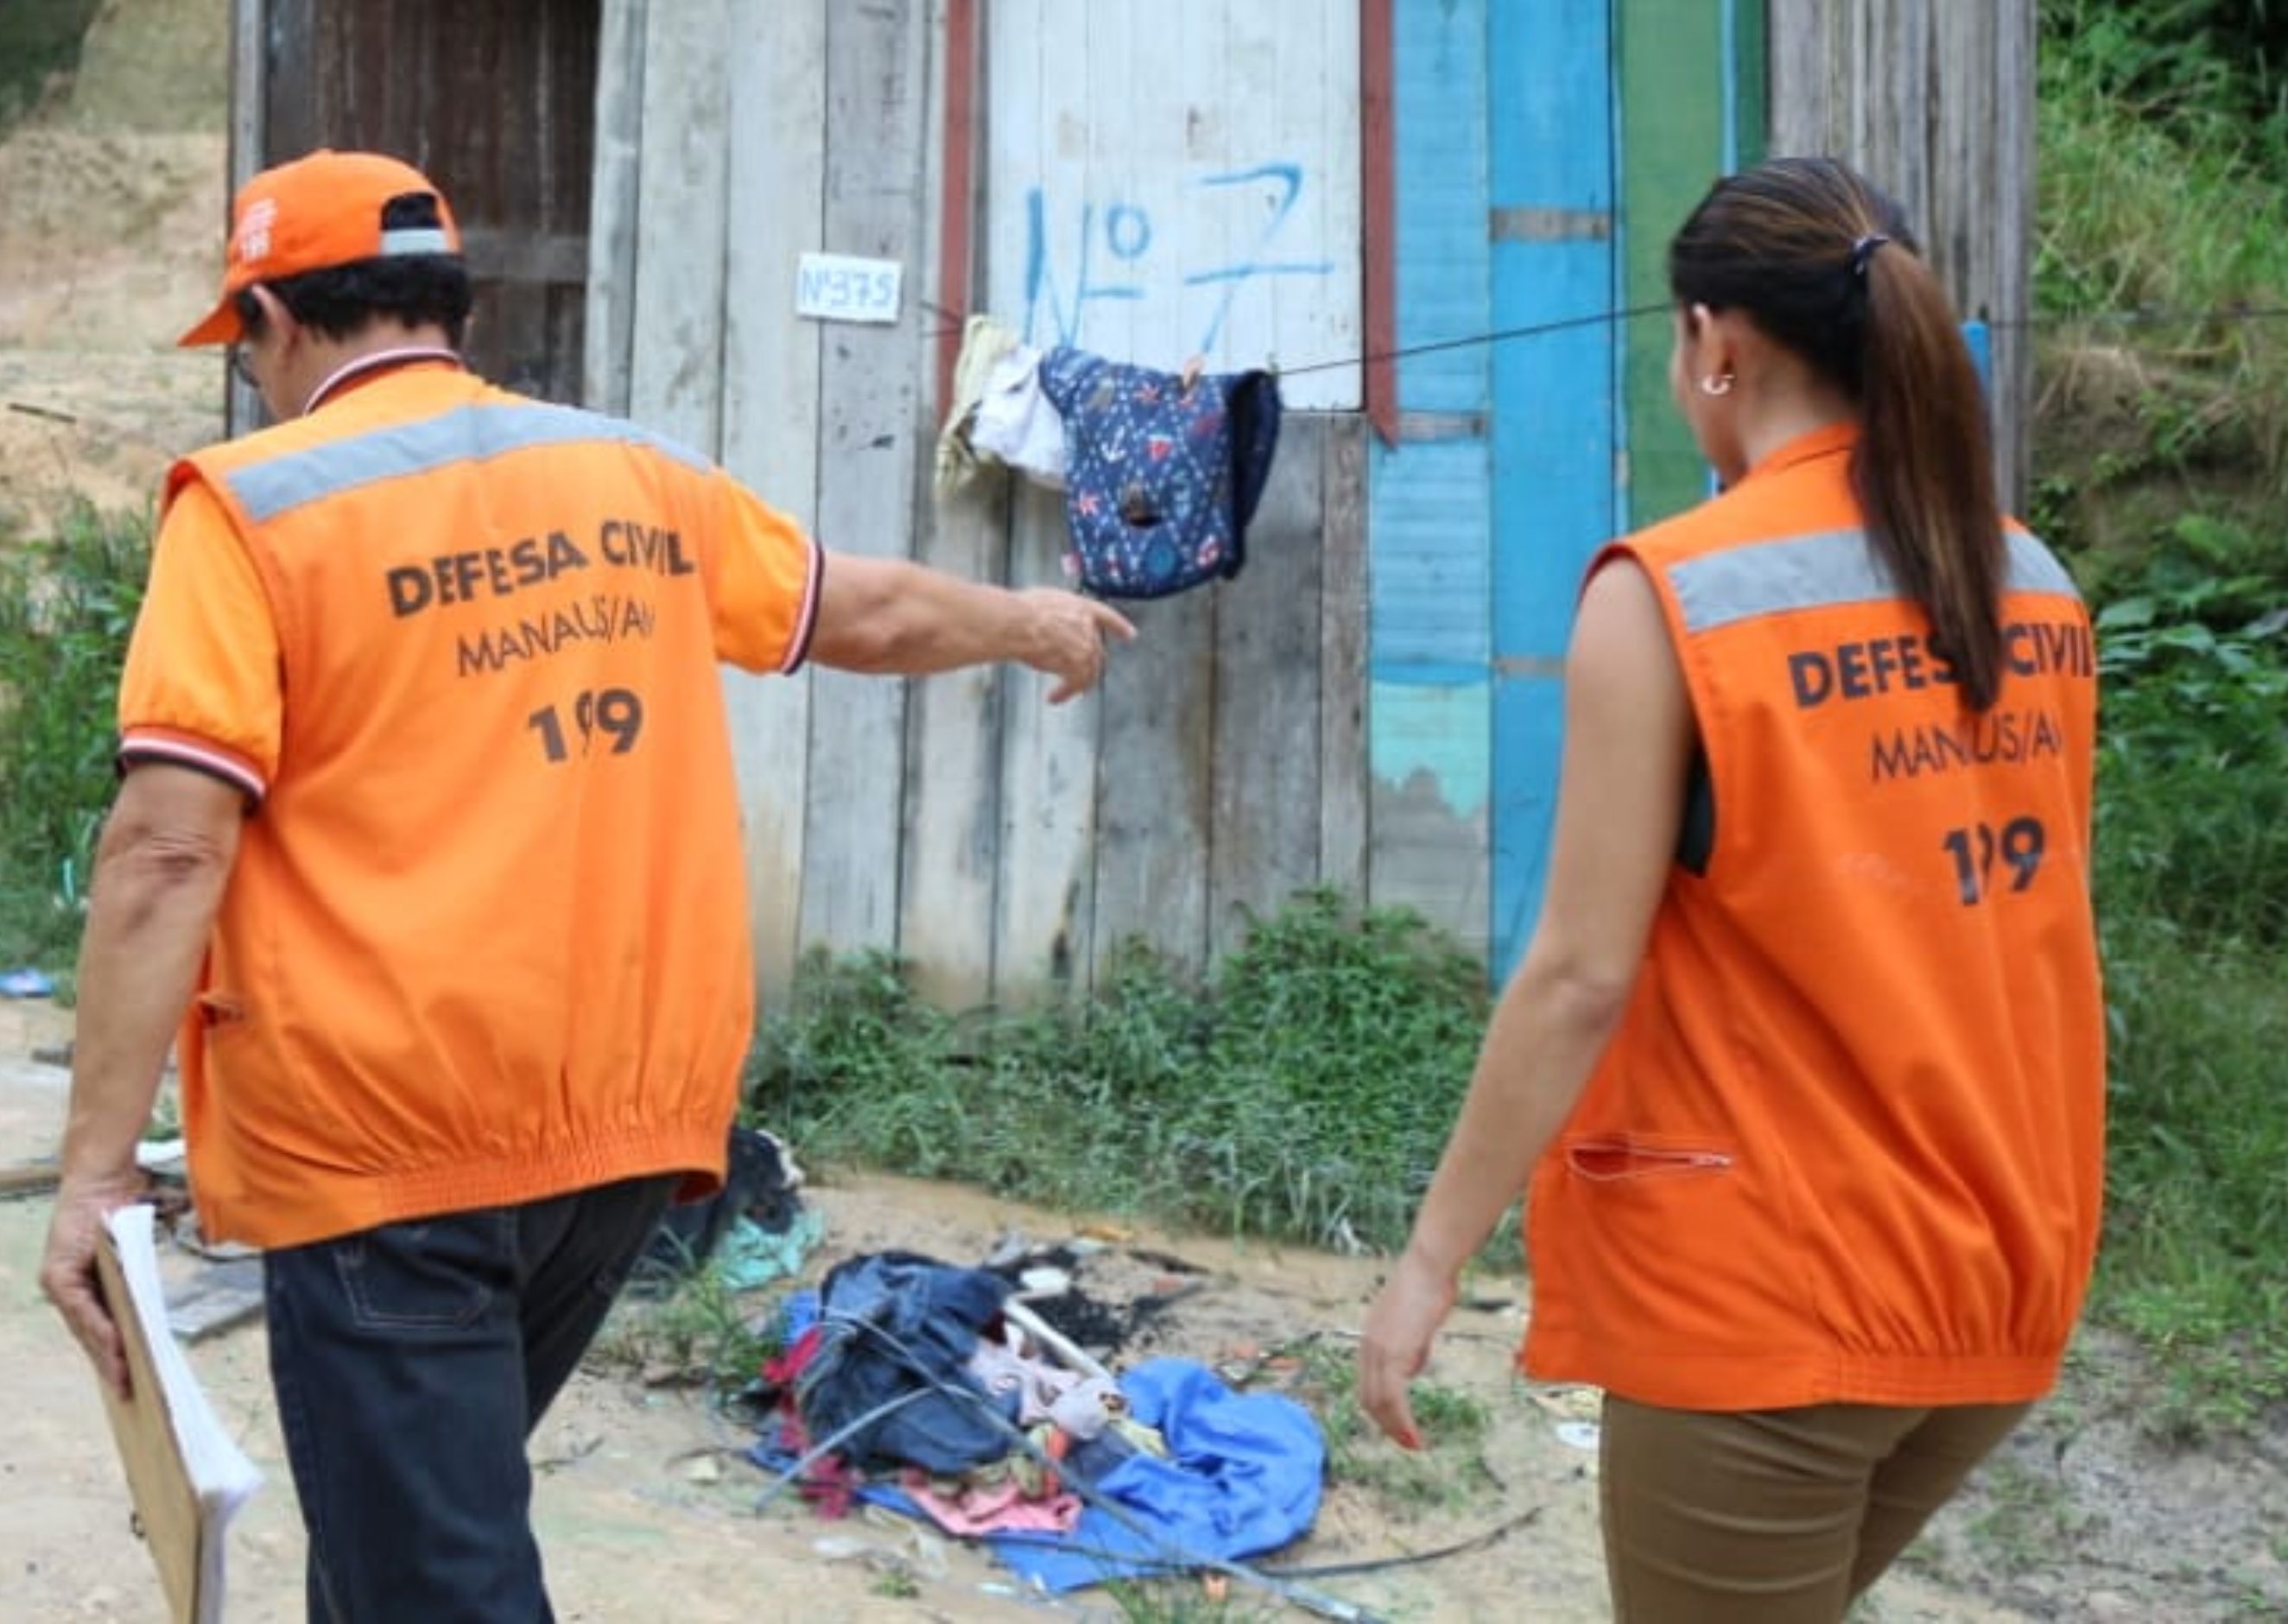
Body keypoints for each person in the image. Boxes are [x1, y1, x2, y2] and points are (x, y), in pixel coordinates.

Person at [37, 149, 1134, 1622]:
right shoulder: (631, 474)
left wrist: (97, 1177)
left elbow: (169, 849)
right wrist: (1026, 620)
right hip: (623, 1136)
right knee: (404, 1541)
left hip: (390, 1144)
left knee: (436, 1577)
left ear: (278, 321)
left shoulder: (254, 508)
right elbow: (852, 607)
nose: (250, 374)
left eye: (245, 342)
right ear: (451, 307)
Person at [1358, 156, 2105, 1622]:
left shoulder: (1675, 591)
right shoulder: (2033, 583)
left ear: (1717, 343)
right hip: (2003, 1276)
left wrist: (1430, 1260)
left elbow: (1580, 974)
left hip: (1778, 1301)